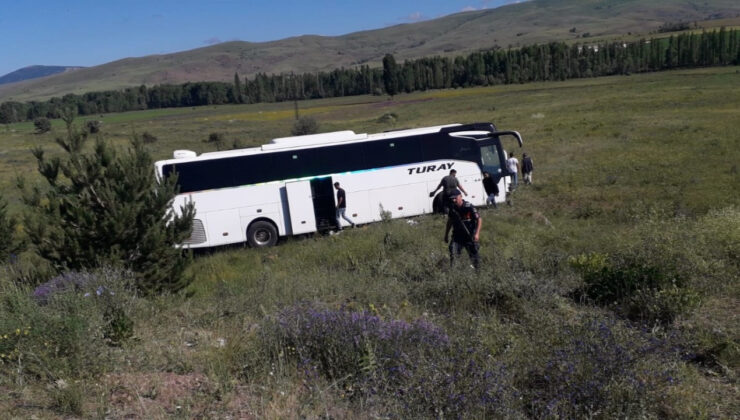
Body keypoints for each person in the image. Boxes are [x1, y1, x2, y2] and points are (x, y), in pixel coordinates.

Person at [444, 190, 481, 270]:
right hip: (457, 236)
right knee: (453, 253)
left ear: (460, 196)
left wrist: (477, 233)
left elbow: (479, 219)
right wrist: (446, 234)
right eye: (452, 199)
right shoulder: (452, 208)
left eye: (455, 198)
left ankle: (478, 272)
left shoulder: (468, 206)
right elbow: (450, 221)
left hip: (469, 236)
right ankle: (455, 272)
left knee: (474, 256)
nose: (454, 200)